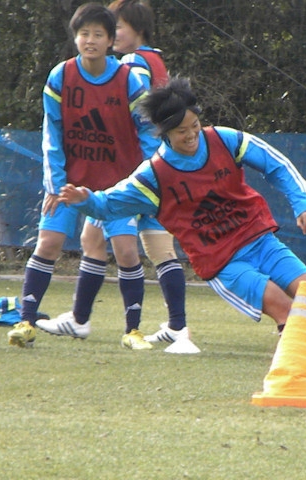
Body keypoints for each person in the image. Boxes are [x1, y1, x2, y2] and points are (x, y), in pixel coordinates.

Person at [57, 77, 306, 404]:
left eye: (195, 126)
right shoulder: (154, 176)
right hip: (224, 263)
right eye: (181, 131)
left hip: (260, 241)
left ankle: (305, 356)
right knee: (286, 310)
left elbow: (278, 167)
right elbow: (109, 204)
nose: (191, 136)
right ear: (165, 133)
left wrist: (303, 206)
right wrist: (83, 199)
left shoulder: (226, 140)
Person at [8, 3, 159, 350]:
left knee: (125, 251)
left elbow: (149, 135)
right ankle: (26, 323)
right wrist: (54, 184)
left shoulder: (129, 79)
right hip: (69, 182)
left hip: (117, 186)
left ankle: (132, 331)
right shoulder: (61, 76)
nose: (89, 40)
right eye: (84, 33)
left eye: (98, 34)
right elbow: (52, 133)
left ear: (110, 41)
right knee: (49, 243)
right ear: (75, 37)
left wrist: (144, 182)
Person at [106, 0, 193, 349]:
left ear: (137, 29)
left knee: (100, 241)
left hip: (143, 167)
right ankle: (177, 327)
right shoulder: (156, 58)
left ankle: (80, 318)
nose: (113, 35)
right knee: (159, 247)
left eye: (118, 28)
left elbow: (140, 112)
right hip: (163, 164)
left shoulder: (132, 63)